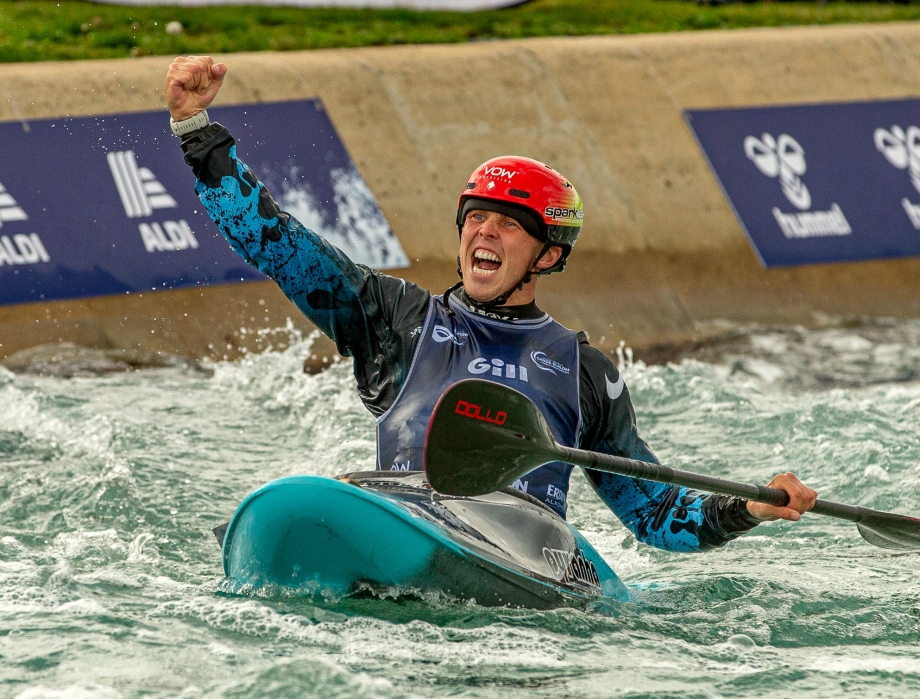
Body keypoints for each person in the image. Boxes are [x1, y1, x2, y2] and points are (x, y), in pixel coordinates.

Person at [166, 56, 818, 552]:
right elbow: (278, 245)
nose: (483, 232)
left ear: (548, 254)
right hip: (408, 524)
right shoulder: (396, 322)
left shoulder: (584, 370)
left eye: (507, 224)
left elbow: (653, 515)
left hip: (525, 562)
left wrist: (750, 508)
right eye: (475, 217)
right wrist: (195, 128)